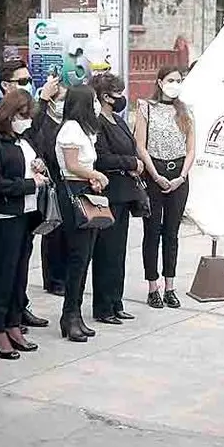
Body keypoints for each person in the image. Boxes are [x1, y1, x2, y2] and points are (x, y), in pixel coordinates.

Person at [0, 89, 51, 359]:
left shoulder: (21, 137)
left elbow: (29, 162)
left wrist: (38, 167)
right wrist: (30, 184)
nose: (26, 121)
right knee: (2, 273)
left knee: (19, 273)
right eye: (22, 116)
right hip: (3, 215)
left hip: (26, 213)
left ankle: (13, 322)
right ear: (9, 114)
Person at [135, 66, 196, 309]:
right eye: (170, 80)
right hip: (154, 174)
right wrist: (156, 175)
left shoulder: (186, 111)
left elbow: (191, 148)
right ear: (160, 82)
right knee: (152, 232)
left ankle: (170, 285)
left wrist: (181, 176)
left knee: (172, 233)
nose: (175, 84)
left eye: (178, 80)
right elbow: (141, 146)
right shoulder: (145, 107)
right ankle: (153, 286)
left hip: (179, 175)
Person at [55, 85, 109, 342]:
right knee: (77, 257)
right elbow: (72, 165)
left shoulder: (85, 130)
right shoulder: (70, 129)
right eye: (94, 100)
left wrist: (94, 179)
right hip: (73, 193)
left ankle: (75, 313)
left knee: (85, 256)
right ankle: (69, 314)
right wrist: (95, 175)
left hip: (85, 188)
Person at [91, 73, 142, 324]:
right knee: (106, 252)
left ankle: (116, 301)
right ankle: (103, 306)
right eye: (118, 94)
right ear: (105, 97)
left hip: (125, 194)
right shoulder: (98, 122)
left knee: (119, 252)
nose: (122, 98)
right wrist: (130, 162)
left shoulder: (118, 121)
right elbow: (100, 158)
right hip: (108, 194)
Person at [30, 63, 68, 298]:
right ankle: (53, 279)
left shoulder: (67, 121)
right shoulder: (42, 120)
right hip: (49, 181)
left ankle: (62, 276)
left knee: (65, 234)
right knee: (52, 232)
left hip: (67, 182)